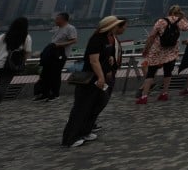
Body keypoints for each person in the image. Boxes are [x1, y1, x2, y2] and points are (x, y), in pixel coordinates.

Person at [61, 16, 124, 147]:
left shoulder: (109, 39)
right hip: (90, 79)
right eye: (116, 25)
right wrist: (101, 77)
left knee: (98, 104)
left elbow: (104, 56)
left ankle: (85, 131)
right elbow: (93, 60)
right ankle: (69, 139)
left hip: (101, 80)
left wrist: (111, 59)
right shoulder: (97, 39)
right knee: (81, 108)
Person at [136, 5, 188, 105]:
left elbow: (152, 36)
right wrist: (183, 16)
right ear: (178, 12)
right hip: (171, 52)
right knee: (168, 73)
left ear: (169, 12)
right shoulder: (180, 21)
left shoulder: (161, 21)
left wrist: (146, 49)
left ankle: (144, 96)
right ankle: (164, 93)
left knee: (150, 74)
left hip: (157, 51)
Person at [87, 16, 126, 134]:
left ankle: (89, 123)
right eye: (124, 26)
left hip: (107, 73)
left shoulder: (110, 38)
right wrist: (104, 74)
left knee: (101, 100)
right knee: (99, 100)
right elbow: (94, 59)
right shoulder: (103, 39)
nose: (125, 29)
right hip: (103, 75)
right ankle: (86, 123)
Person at [0, 17, 31, 116]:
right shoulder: (26, 38)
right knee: (2, 87)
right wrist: (22, 65)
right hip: (10, 67)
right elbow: (27, 53)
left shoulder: (3, 36)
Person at [34, 12, 78, 101]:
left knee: (55, 74)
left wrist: (59, 45)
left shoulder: (70, 28)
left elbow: (74, 40)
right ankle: (45, 93)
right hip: (52, 54)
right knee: (46, 74)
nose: (55, 20)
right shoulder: (58, 28)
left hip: (61, 55)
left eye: (57, 19)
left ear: (63, 19)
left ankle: (55, 94)